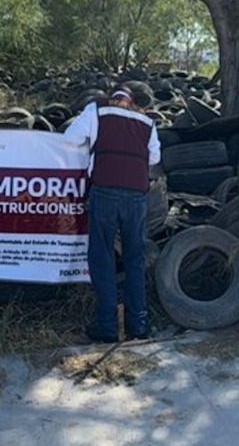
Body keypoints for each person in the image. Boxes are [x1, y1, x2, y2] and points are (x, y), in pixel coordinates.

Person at [63, 88, 161, 343]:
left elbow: (70, 138)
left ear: (113, 98)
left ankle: (107, 328)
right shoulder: (147, 120)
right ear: (130, 102)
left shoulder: (97, 110)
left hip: (105, 190)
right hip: (137, 196)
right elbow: (155, 157)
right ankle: (138, 325)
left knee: (102, 258)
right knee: (135, 259)